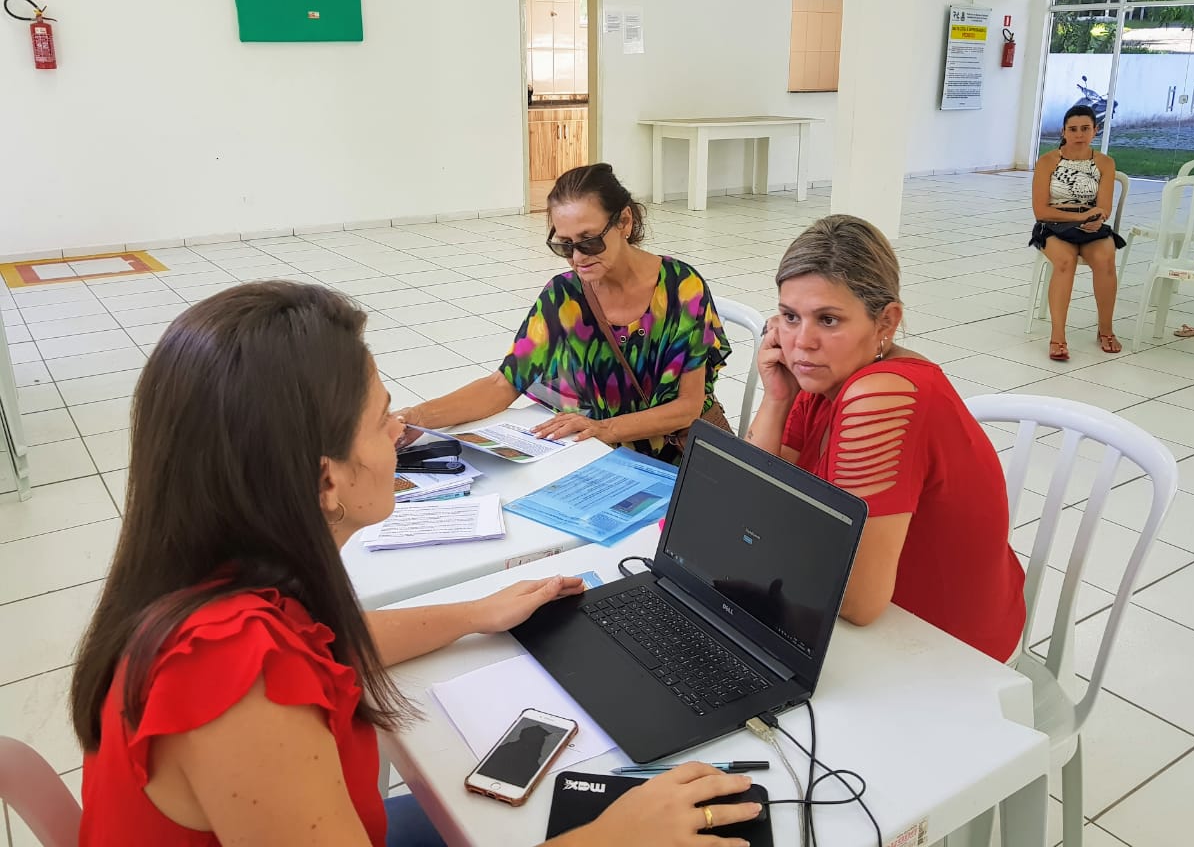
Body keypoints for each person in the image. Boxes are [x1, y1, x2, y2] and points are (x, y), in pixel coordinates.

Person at [69, 281, 762, 847]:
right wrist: (613, 839)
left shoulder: (227, 572)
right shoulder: (237, 683)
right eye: (382, 420)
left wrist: (477, 613)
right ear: (326, 480)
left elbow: (332, 642)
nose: (402, 432)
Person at [746, 216, 1026, 662]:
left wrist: (769, 536)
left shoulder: (880, 396)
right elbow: (754, 501)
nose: (801, 343)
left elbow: (858, 603)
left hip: (944, 644)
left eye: (829, 319)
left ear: (886, 322)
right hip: (869, 612)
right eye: (790, 317)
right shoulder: (823, 375)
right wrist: (777, 398)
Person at [398, 163, 730, 463]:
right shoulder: (564, 296)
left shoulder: (681, 288)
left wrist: (603, 429)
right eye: (564, 245)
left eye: (589, 241)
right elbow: (504, 384)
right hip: (600, 454)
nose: (578, 258)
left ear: (624, 222)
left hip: (676, 455)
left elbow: (687, 408)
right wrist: (417, 417)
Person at [1030, 104, 1126, 362]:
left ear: (1095, 130)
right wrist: (1078, 217)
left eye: (1085, 128)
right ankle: (1057, 336)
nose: (1079, 134)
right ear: (1064, 131)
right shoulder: (1047, 162)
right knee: (1065, 261)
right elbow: (1041, 211)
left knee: (1105, 258)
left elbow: (1104, 206)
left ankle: (1106, 330)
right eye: (1073, 129)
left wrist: (1095, 218)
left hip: (1090, 224)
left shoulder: (1104, 163)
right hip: (1054, 224)